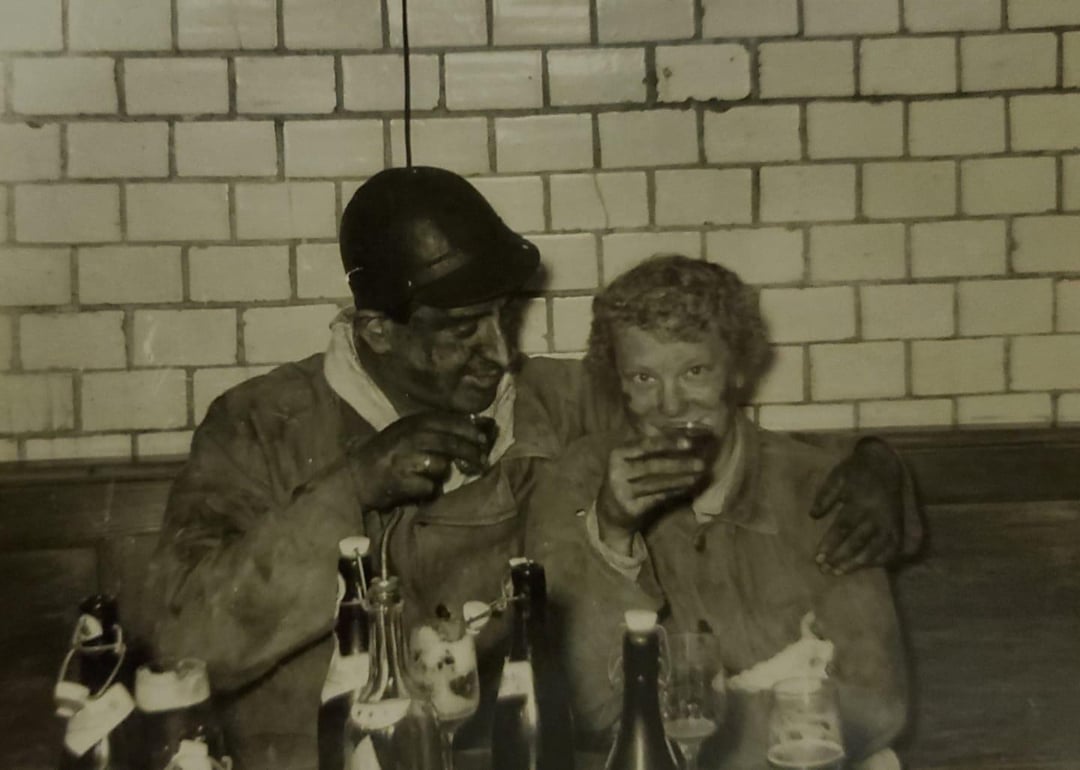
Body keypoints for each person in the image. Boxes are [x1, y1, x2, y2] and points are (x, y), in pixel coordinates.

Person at [145, 167, 916, 769]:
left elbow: (714, 432)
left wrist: (877, 469)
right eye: (461, 330)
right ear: (377, 331)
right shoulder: (263, 428)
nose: (499, 352)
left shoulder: (562, 401)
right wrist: (351, 487)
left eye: (504, 316)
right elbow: (185, 642)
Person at [526, 255, 908, 768]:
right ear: (617, 383)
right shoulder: (576, 480)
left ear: (739, 370)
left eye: (695, 371)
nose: (670, 405)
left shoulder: (818, 487)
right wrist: (612, 533)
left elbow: (875, 704)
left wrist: (694, 719)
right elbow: (590, 708)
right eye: (643, 377)